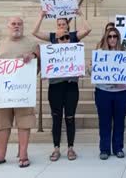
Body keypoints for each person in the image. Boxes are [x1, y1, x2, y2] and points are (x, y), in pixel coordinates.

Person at [32, 10, 91, 161]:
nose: (61, 27)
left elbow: (88, 29)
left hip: (71, 85)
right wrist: (41, 17)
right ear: (56, 26)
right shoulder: (52, 38)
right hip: (55, 85)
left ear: (68, 25)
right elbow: (34, 32)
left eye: (64, 24)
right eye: (59, 24)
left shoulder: (73, 38)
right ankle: (56, 148)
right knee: (56, 117)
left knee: (70, 117)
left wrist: (81, 15)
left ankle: (71, 148)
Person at [0, 16, 39, 168]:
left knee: (24, 123)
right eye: (13, 24)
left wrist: (32, 56)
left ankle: (23, 154)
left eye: (19, 24)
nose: (16, 26)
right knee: (2, 124)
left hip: (23, 92)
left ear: (23, 26)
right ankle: (0, 155)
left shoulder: (32, 43)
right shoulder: (0, 44)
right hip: (3, 94)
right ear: (8, 26)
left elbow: (40, 59)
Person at [93, 27, 126, 160]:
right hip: (103, 92)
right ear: (106, 38)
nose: (112, 39)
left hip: (122, 92)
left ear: (119, 38)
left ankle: (118, 147)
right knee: (104, 121)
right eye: (110, 36)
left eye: (115, 36)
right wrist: (92, 68)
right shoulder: (100, 53)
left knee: (120, 121)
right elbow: (92, 71)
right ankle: (104, 149)